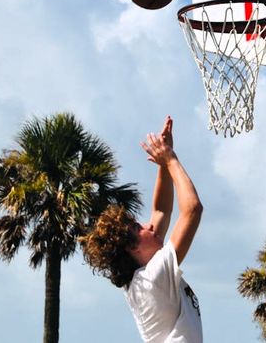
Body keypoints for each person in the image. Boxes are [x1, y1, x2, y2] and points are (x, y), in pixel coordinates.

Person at [82, 116, 203, 342]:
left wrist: (163, 162)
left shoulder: (141, 276)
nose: (148, 225)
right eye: (139, 227)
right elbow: (192, 210)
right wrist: (171, 160)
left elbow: (161, 212)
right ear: (132, 248)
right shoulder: (154, 276)